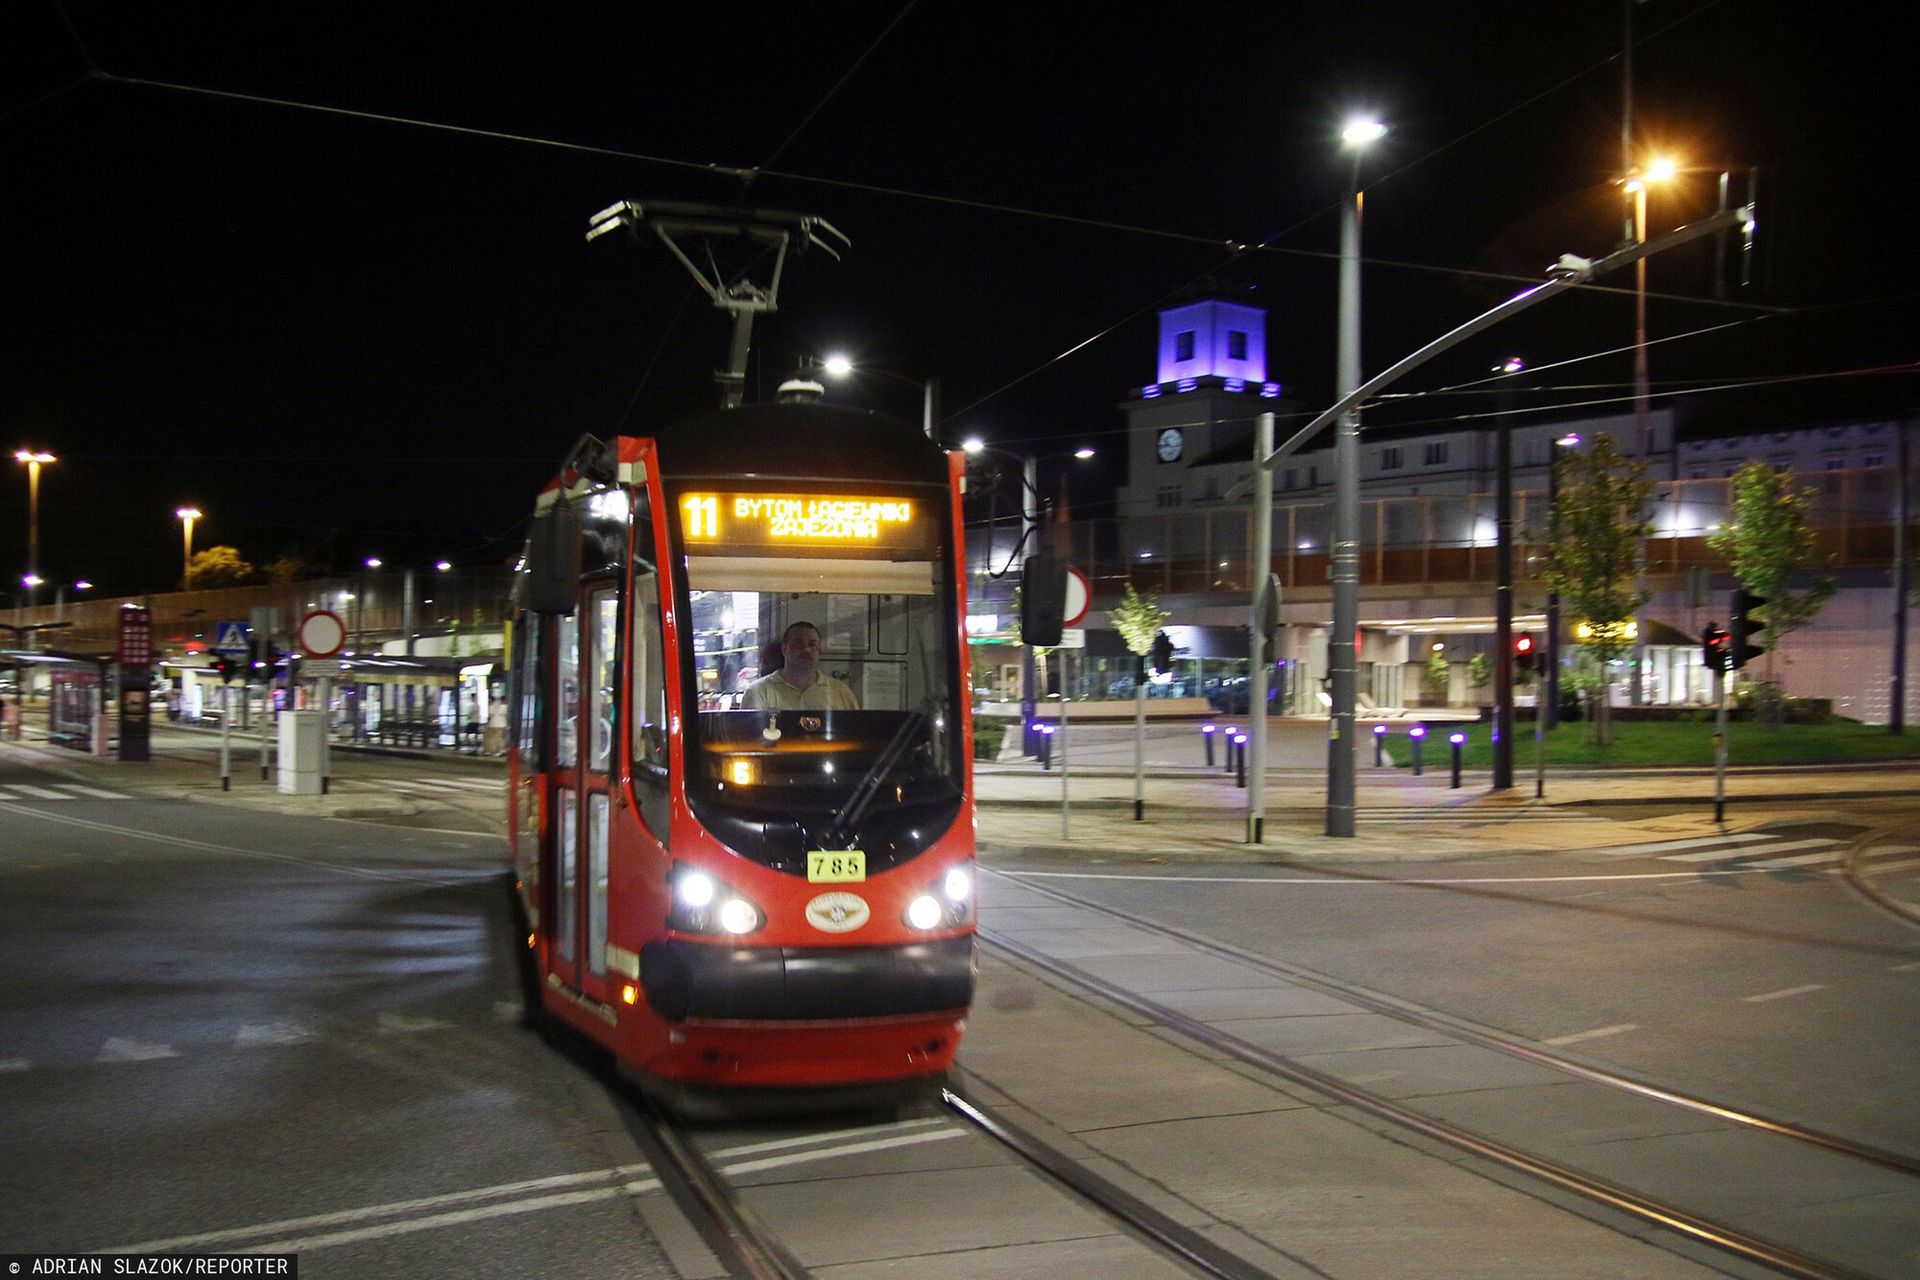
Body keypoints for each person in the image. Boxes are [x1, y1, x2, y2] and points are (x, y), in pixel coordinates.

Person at [740, 621, 858, 711]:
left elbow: (856, 737)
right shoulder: (759, 692)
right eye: (798, 644)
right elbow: (749, 739)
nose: (806, 650)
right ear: (784, 648)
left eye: (812, 645)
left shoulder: (841, 693)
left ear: (819, 652)